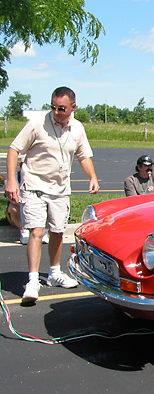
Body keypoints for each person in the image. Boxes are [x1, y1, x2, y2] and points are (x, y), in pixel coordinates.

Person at [5, 86, 100, 303]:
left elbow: (83, 156)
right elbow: (13, 149)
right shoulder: (37, 125)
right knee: (37, 232)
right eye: (53, 107)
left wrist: (92, 177)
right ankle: (32, 280)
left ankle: (54, 273)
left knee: (57, 232)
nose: (56, 111)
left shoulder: (77, 128)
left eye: (61, 108)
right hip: (34, 186)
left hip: (60, 189)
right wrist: (12, 180)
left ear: (73, 107)